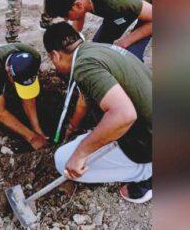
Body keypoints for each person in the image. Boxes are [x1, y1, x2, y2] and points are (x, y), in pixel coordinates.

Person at [43, 22, 152, 203]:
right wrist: (72, 127)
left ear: (54, 55)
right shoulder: (95, 49)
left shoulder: (83, 66)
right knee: (97, 122)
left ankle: (148, 173)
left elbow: (124, 114)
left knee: (63, 161)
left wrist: (81, 153)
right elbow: (84, 101)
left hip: (149, 139)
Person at [44, 0, 152, 61]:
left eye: (66, 16)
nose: (66, 19)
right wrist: (74, 42)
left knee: (129, 54)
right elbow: (79, 18)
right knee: (98, 46)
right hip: (131, 0)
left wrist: (124, 43)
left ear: (78, 5)